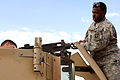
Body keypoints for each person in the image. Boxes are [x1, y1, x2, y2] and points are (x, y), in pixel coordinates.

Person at [79, 2, 120, 80]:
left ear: (104, 13)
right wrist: (82, 42)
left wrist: (83, 45)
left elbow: (99, 45)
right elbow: (87, 40)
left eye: (96, 13)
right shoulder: (92, 26)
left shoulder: (107, 26)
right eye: (93, 12)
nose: (93, 15)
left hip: (110, 63)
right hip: (96, 63)